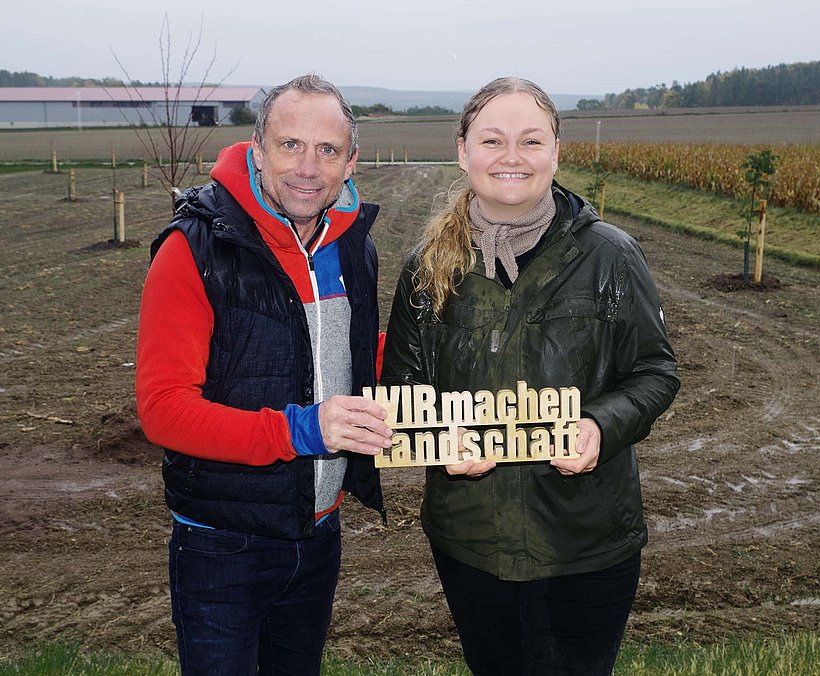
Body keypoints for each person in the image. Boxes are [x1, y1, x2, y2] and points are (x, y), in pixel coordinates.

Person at [381, 77, 680, 675]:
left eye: (530, 140)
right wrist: (439, 443)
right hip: (471, 542)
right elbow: (401, 394)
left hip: (586, 541)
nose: (511, 157)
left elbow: (654, 371)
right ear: (464, 151)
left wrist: (599, 426)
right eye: (492, 140)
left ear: (555, 152)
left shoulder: (610, 256)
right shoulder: (427, 268)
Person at [135, 73, 393, 675]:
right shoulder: (195, 248)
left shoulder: (353, 247)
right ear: (257, 150)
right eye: (290, 145)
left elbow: (349, 354)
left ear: (351, 162)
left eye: (327, 150)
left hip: (319, 535)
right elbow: (164, 407)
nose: (308, 166)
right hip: (222, 544)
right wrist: (301, 432)